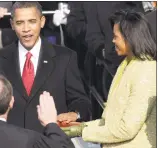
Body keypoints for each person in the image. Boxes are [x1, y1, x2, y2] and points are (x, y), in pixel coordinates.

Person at [0, 2, 91, 133]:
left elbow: (81, 101)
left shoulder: (65, 58)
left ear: (42, 22)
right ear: (12, 24)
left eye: (32, 21)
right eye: (20, 23)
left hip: (50, 142)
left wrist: (75, 114)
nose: (26, 29)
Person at [62, 10, 156, 148]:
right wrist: (80, 126)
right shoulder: (127, 64)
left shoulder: (146, 70)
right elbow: (110, 122)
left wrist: (82, 131)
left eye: (115, 37)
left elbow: (126, 129)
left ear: (129, 38)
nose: (112, 41)